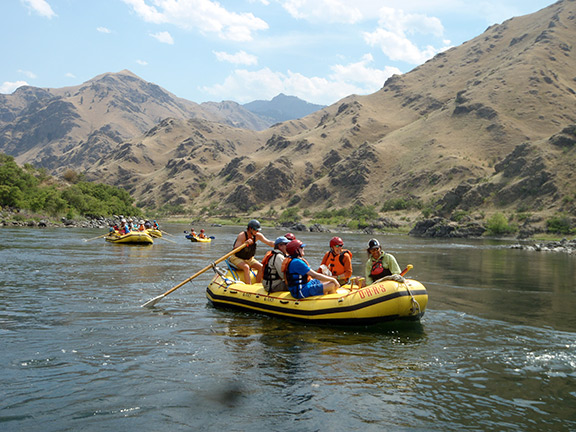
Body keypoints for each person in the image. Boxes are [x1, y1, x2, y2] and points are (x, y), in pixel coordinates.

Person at [230, 219, 275, 284]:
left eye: (258, 230)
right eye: (256, 230)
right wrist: (244, 244)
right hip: (237, 258)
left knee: (261, 267)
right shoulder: (242, 235)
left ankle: (257, 284)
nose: (257, 232)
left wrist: (280, 244)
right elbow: (235, 248)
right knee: (246, 267)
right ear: (250, 229)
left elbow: (269, 243)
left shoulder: (257, 236)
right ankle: (249, 286)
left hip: (249, 259)